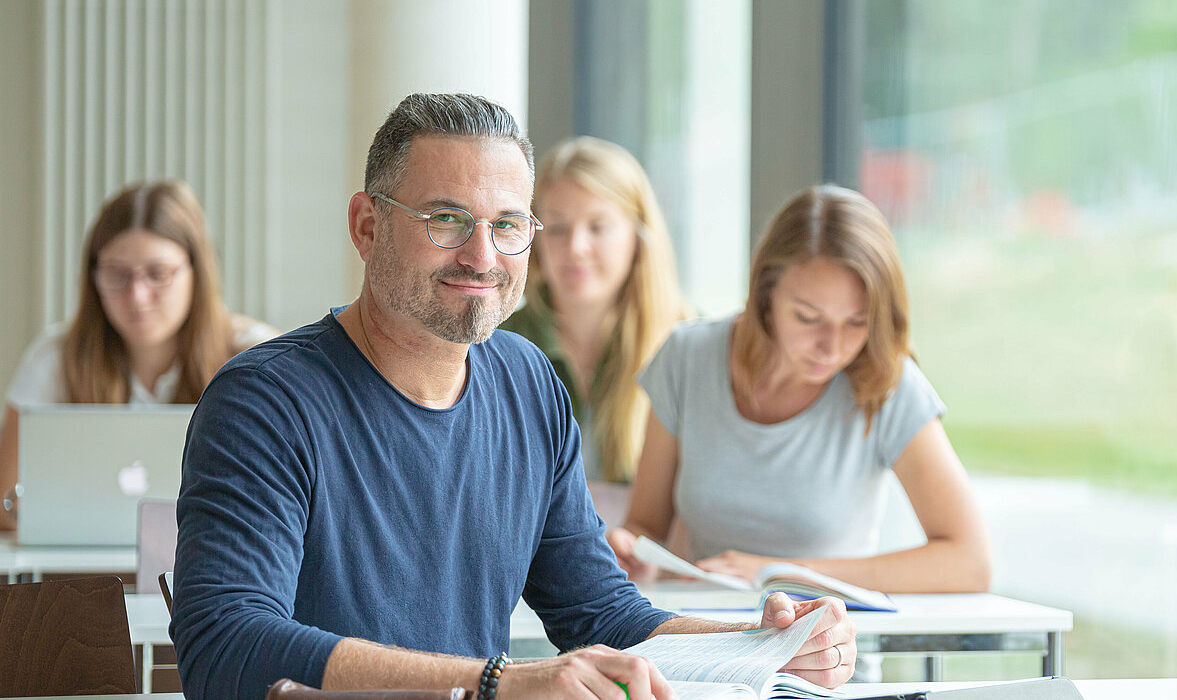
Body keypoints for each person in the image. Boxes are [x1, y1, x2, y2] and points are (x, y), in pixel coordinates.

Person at [170, 93, 856, 700]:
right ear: (367, 226)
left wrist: (763, 641)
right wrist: (493, 682)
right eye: (446, 219)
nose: (482, 257)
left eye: (507, 225)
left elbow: (602, 615)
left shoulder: (528, 383)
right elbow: (227, 649)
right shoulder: (264, 403)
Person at [608, 185, 993, 594]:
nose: (833, 347)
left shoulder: (887, 384)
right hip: (704, 641)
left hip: (829, 650)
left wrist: (779, 572)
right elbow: (646, 525)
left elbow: (969, 563)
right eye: (809, 318)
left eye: (857, 322)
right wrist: (631, 549)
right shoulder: (687, 358)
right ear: (765, 296)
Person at [0, 179, 277, 529]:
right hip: (83, 578)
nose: (137, 296)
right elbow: (4, 503)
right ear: (92, 275)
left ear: (197, 271)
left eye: (158, 274)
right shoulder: (55, 358)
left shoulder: (256, 356)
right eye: (116, 275)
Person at [502, 137, 688, 521]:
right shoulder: (500, 343)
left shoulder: (686, 345)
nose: (576, 248)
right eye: (556, 229)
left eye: (598, 227)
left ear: (638, 237)